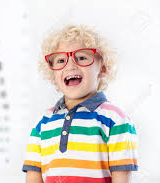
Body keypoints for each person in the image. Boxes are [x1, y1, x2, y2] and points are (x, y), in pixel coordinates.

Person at [22, 24, 138, 183]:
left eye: (82, 57)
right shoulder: (42, 124)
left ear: (102, 69)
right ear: (52, 73)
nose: (70, 65)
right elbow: (33, 177)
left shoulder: (117, 120)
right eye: (61, 60)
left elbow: (121, 178)